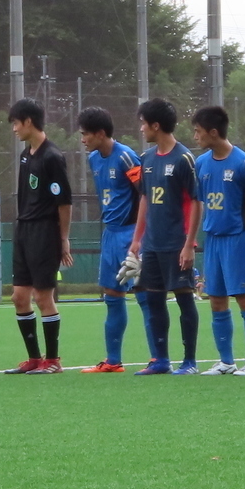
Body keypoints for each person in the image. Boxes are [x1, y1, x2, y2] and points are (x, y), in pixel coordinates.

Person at [127, 98, 203, 375]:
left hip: (177, 243)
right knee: (154, 299)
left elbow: (197, 202)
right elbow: (145, 199)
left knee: (184, 298)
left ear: (156, 125)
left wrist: (189, 244)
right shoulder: (145, 159)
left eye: (143, 124)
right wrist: (137, 239)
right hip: (153, 244)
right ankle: (160, 360)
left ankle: (190, 362)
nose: (141, 129)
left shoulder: (184, 159)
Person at [190, 105, 245, 374]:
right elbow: (199, 202)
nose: (195, 136)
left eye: (198, 131)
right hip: (213, 239)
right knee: (216, 300)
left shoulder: (244, 164)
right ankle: (226, 361)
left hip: (237, 238)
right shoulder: (201, 164)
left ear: (213, 132)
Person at [6, 99, 74, 373]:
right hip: (24, 229)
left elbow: (64, 202)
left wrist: (63, 238)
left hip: (45, 231)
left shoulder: (52, 157)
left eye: (15, 123)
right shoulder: (26, 155)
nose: (14, 129)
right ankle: (34, 358)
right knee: (19, 297)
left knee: (43, 297)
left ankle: (53, 361)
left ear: (29, 122)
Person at [79, 106, 142, 372]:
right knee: (112, 294)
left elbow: (145, 196)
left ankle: (158, 359)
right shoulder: (93, 159)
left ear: (101, 133)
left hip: (130, 233)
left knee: (145, 295)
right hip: (110, 233)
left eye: (85, 134)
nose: (82, 139)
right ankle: (113, 361)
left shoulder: (127, 157)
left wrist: (139, 237)